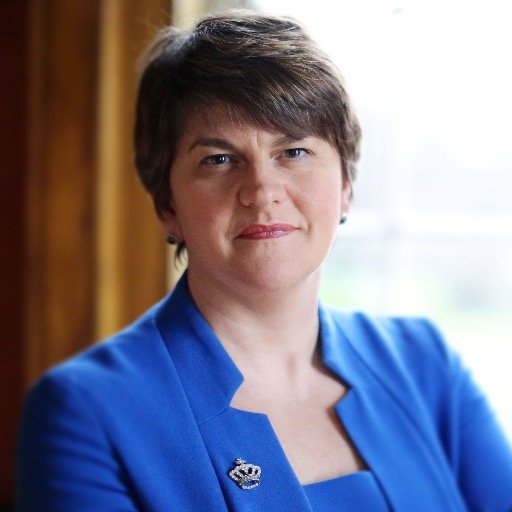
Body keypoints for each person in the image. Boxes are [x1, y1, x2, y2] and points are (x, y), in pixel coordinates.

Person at [17, 10, 512, 512]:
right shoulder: (85, 411)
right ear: (168, 205)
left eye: (293, 152)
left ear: (345, 185)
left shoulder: (425, 363)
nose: (261, 191)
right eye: (218, 159)